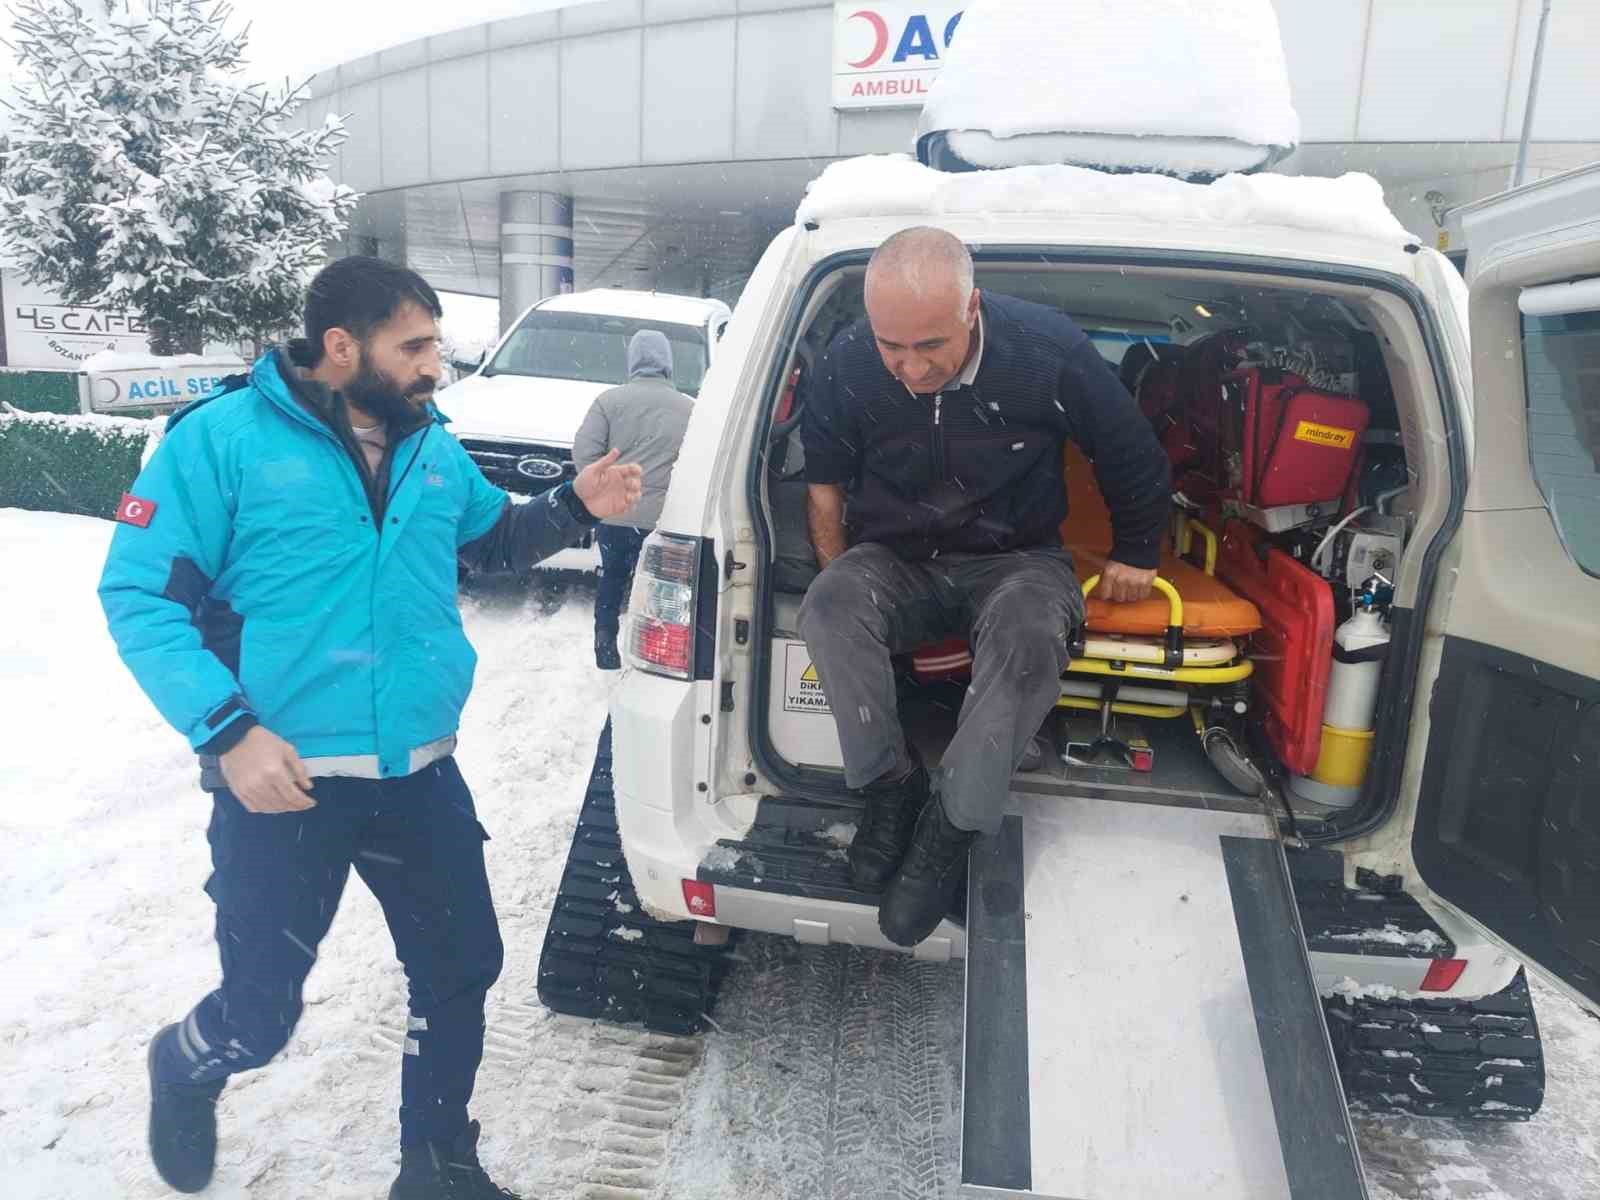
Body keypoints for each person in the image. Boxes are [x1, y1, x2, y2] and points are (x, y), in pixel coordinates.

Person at [98, 256, 642, 1199]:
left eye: (437, 342)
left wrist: (570, 507)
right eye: (416, 346)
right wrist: (228, 732)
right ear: (341, 346)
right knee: (261, 1015)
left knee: (462, 967)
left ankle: (437, 1164)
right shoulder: (221, 441)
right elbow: (140, 593)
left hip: (417, 772)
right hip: (282, 779)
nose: (437, 364)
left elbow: (486, 541)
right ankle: (188, 1059)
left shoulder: (428, 443)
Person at [798, 226, 1171, 948]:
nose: (910, 368)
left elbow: (1132, 454)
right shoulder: (848, 363)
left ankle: (950, 826)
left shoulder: (1046, 351)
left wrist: (1137, 551)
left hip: (1017, 558)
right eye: (892, 347)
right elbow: (823, 492)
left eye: (929, 345)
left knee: (1031, 639)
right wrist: (845, 586)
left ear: (971, 307)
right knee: (830, 605)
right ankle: (889, 789)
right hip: (897, 556)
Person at [572, 328, 695, 670]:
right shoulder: (690, 409)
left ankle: (605, 642)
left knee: (612, 577)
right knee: (660, 590)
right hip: (662, 520)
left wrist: (604, 486)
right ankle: (655, 653)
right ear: (668, 363)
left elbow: (584, 451)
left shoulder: (609, 402)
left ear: (633, 360)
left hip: (615, 514)